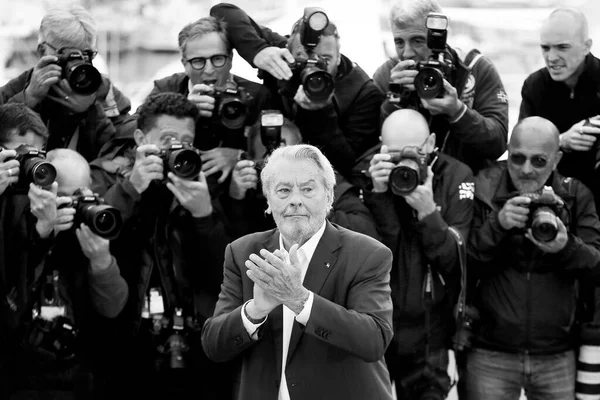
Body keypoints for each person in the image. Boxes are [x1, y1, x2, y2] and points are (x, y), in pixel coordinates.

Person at [202, 143, 395, 400]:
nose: (295, 200)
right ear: (268, 201)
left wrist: (299, 299)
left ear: (329, 197)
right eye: (283, 190)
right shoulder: (242, 252)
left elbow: (374, 340)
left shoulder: (367, 254)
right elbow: (214, 346)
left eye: (307, 189)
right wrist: (254, 311)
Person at [91, 92, 234, 400]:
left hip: (193, 342)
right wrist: (131, 189)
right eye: (167, 138)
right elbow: (93, 244)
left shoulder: (202, 181)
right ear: (141, 138)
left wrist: (204, 216)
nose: (177, 147)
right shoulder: (103, 177)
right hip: (126, 342)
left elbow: (222, 276)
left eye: (186, 139)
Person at [464, 116, 600, 400]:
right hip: (491, 351)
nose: (526, 170)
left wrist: (565, 247)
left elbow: (596, 267)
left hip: (556, 353)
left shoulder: (575, 195)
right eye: (517, 159)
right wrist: (498, 225)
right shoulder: (484, 190)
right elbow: (462, 266)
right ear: (507, 154)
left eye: (538, 161)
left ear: (556, 159)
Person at [364, 109, 473, 399]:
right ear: (381, 146)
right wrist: (378, 193)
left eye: (414, 152)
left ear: (431, 142)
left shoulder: (455, 175)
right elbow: (377, 258)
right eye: (396, 154)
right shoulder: (370, 172)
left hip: (431, 332)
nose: (406, 162)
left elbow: (458, 264)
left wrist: (428, 213)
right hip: (378, 326)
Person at [210, 3, 384, 179]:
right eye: (303, 57)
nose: (312, 65)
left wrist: (321, 112)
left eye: (325, 59)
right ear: (288, 49)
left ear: (339, 59)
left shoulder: (363, 93)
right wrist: (258, 51)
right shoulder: (281, 57)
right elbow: (223, 11)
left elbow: (347, 166)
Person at [375, 0, 508, 174]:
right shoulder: (388, 74)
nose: (407, 53)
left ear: (439, 38)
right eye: (399, 42)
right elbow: (370, 148)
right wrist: (395, 99)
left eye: (417, 41)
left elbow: (498, 145)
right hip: (407, 183)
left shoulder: (474, 69)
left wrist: (458, 112)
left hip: (466, 184)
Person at [0, 4, 134, 162]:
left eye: (86, 54)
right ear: (43, 51)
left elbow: (121, 153)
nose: (77, 63)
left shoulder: (103, 90)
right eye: (68, 55)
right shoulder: (19, 88)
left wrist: (91, 111)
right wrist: (28, 99)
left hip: (86, 183)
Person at [148, 16, 271, 185]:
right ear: (184, 64)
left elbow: (276, 154)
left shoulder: (256, 95)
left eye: (218, 59)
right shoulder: (167, 89)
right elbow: (136, 132)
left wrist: (239, 156)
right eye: (198, 61)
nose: (209, 69)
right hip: (178, 181)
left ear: (230, 59)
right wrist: (183, 110)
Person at [228, 116, 380, 240]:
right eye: (271, 160)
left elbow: (366, 231)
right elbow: (232, 251)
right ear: (252, 161)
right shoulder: (246, 187)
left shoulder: (323, 178)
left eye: (290, 157)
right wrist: (236, 201)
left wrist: (315, 205)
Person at [519, 8, 600, 211]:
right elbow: (520, 152)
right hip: (549, 196)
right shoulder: (534, 86)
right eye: (545, 48)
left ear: (586, 47)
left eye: (562, 47)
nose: (551, 57)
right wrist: (561, 141)